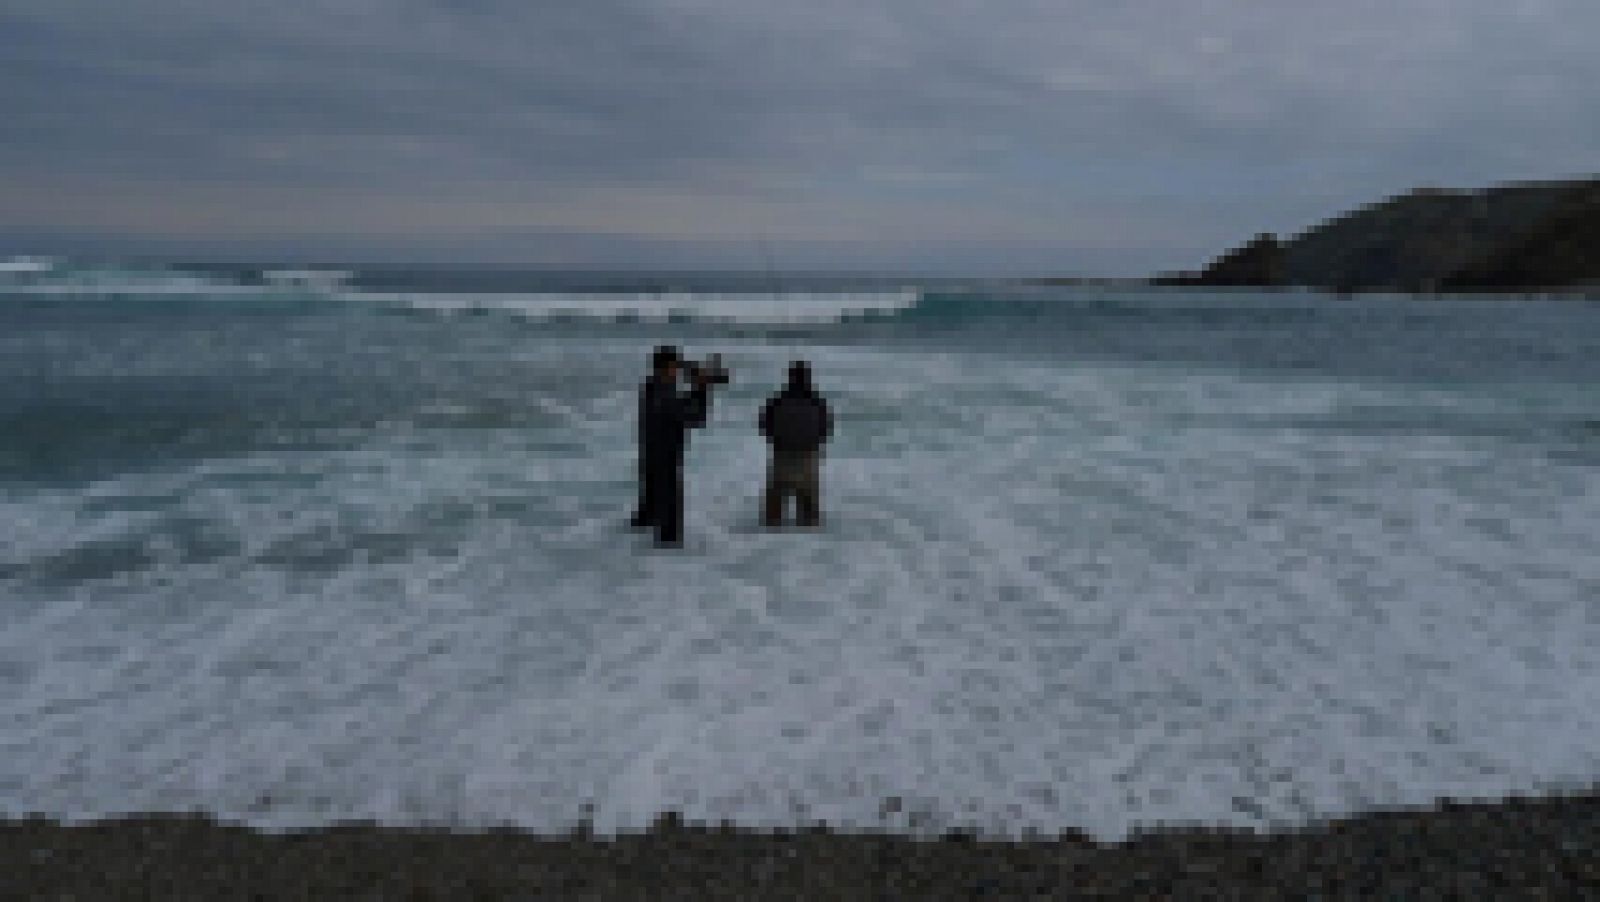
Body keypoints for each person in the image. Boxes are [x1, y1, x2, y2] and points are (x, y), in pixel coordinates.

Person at [631, 345, 714, 546]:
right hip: (665, 461)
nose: (678, 372)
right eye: (675, 367)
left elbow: (678, 407)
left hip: (651, 457)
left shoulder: (652, 388)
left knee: (649, 518)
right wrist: (701, 389)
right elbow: (695, 418)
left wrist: (696, 388)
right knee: (669, 533)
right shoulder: (664, 395)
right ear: (666, 368)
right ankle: (660, 570)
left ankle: (638, 562)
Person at [759, 361, 832, 528]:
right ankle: (809, 550)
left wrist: (777, 440)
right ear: (808, 378)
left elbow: (764, 425)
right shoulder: (817, 402)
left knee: (773, 518)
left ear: (790, 378)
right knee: (809, 517)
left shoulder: (777, 401)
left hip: (782, 457)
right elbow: (825, 429)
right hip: (808, 458)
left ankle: (769, 547)